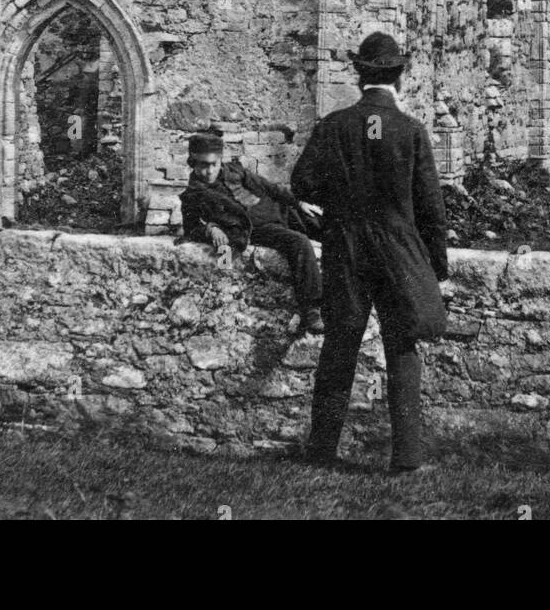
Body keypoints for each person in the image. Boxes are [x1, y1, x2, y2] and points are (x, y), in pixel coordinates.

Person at [290, 33, 449, 473]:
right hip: (398, 252)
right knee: (402, 346)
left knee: (339, 346)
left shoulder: (333, 125)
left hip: (346, 247)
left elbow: (303, 183)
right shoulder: (411, 131)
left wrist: (335, 214)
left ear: (359, 75)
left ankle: (321, 453)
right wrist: (435, 266)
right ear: (400, 75)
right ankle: (407, 459)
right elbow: (431, 208)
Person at [180, 129, 324, 333]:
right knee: (299, 242)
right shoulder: (193, 195)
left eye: (214, 164)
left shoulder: (235, 171)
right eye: (203, 165)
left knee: (329, 226)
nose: (209, 171)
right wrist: (210, 228)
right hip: (259, 229)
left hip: (282, 212)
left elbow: (269, 187)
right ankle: (312, 310)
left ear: (220, 160)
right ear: (192, 163)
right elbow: (191, 228)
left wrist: (298, 203)